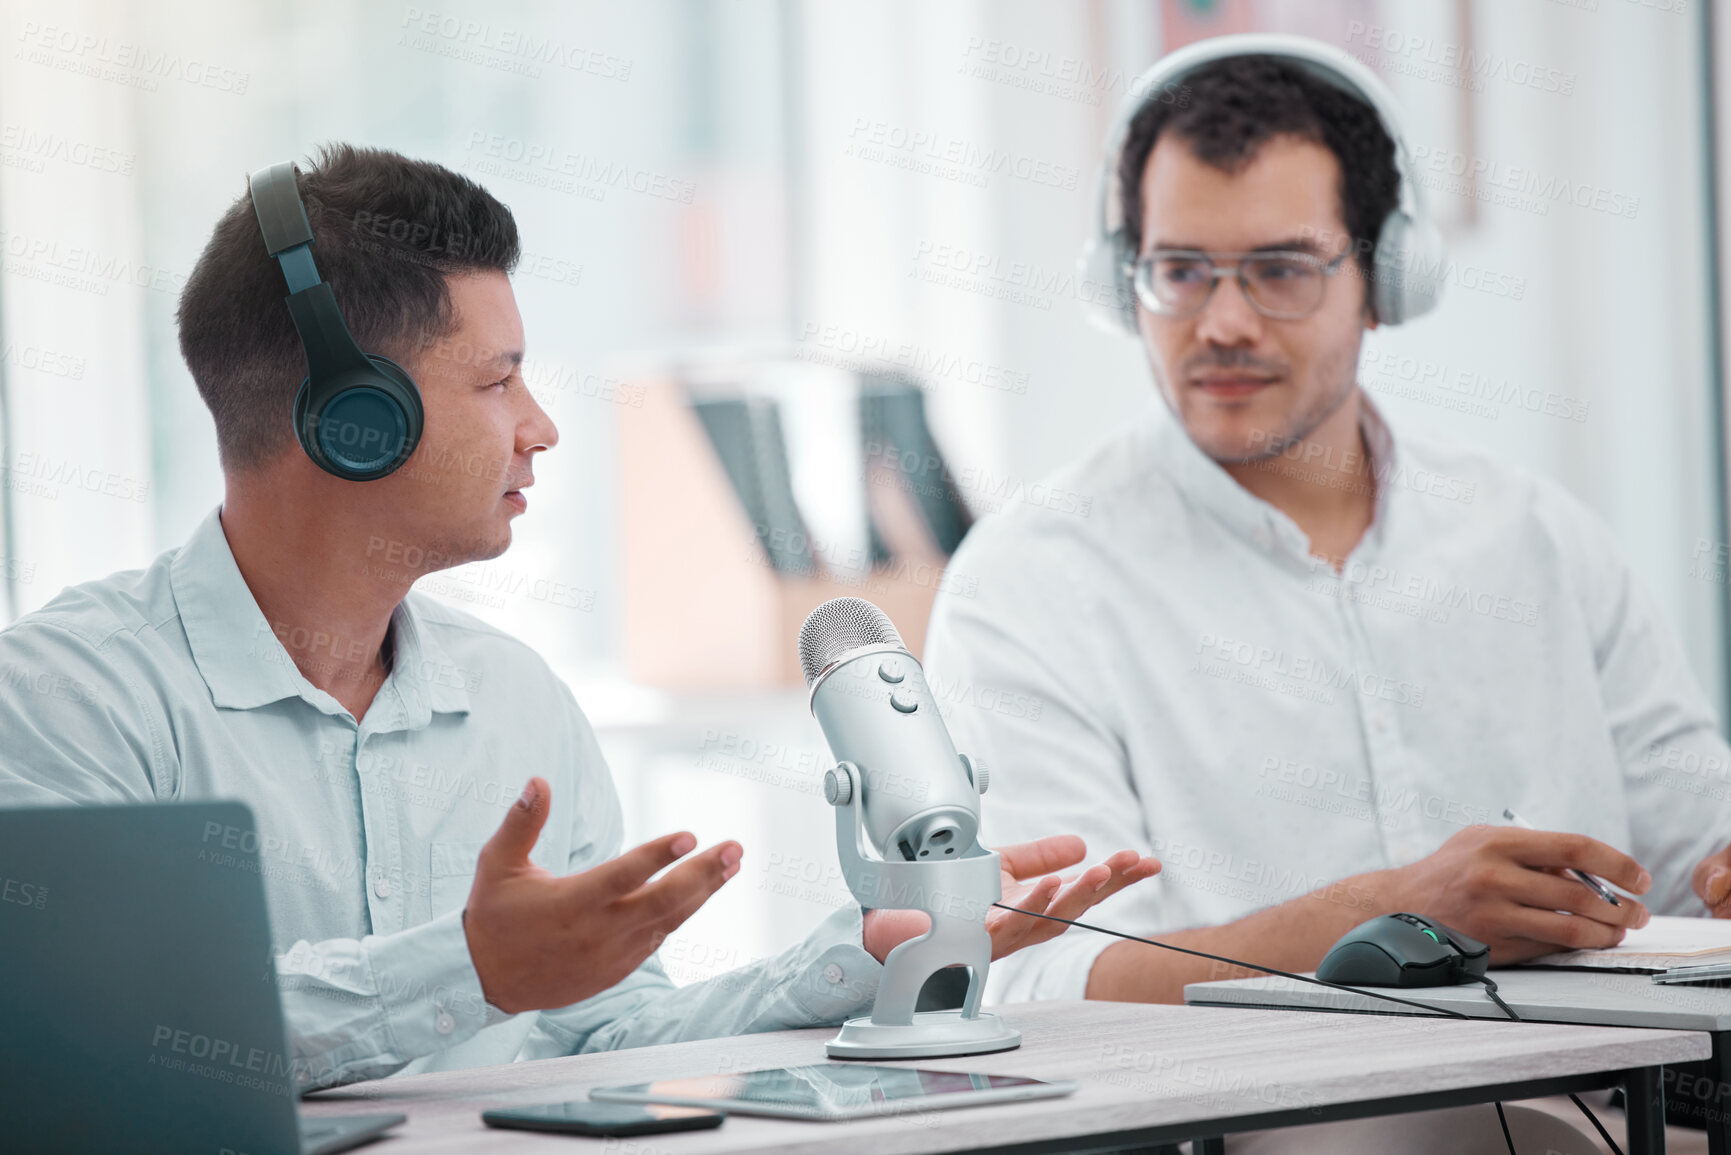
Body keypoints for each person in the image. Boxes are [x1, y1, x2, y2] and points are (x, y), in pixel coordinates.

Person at [0, 144, 1158, 1091]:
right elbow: (102, 1048)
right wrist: (469, 966)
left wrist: (863, 964)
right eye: (497, 382)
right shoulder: (63, 701)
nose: (541, 427)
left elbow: (602, 1042)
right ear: (357, 418)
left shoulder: (512, 700)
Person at [923, 37, 1730, 1151]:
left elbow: (1699, 849)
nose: (1223, 324)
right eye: (1180, 270)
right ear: (1126, 284)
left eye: (1282, 268)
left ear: (1390, 280)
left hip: (1611, 1123)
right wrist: (1387, 917)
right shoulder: (1033, 582)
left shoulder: (1536, 537)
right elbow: (1041, 985)